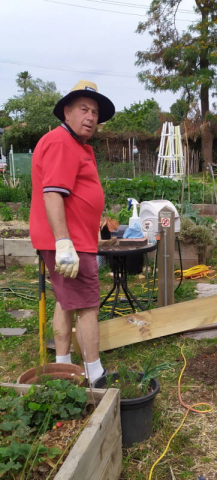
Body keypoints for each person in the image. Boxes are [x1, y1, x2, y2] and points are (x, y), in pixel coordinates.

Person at [30, 80, 115, 384]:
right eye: (84, 109)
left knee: (66, 303)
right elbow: (52, 193)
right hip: (70, 243)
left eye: (94, 112)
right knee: (88, 307)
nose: (91, 117)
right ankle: (95, 374)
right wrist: (64, 242)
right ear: (67, 111)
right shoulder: (61, 143)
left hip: (73, 239)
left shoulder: (73, 144)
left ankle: (63, 368)